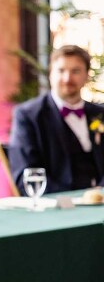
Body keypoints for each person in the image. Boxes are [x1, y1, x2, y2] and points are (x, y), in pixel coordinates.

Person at [9, 45, 104, 194]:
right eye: (61, 71)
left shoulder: (100, 113)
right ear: (50, 74)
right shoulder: (28, 116)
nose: (67, 78)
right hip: (58, 206)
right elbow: (25, 174)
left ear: (86, 75)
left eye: (76, 71)